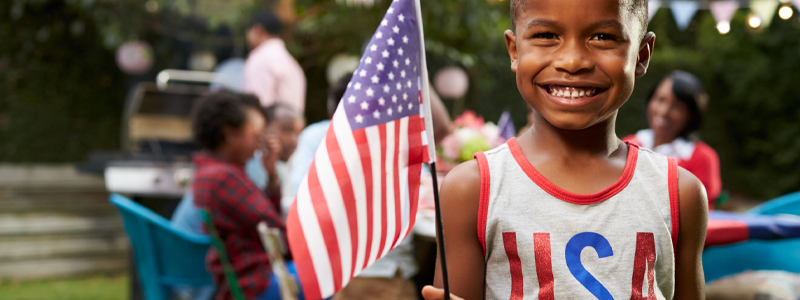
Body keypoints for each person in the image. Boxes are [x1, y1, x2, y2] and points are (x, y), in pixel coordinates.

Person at [422, 0, 708, 299]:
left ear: (641, 54)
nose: (572, 61)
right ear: (514, 50)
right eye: (546, 35)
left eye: (603, 37)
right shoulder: (473, 189)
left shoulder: (678, 193)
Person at [189, 90, 288, 300]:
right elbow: (277, 235)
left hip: (243, 283)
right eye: (256, 136)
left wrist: (271, 175)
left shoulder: (208, 172)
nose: (259, 145)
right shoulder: (225, 178)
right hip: (258, 283)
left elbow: (262, 221)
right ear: (230, 134)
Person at [622, 70, 722, 209]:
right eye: (660, 99)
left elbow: (702, 212)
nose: (664, 111)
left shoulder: (703, 158)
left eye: (677, 107)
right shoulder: (628, 144)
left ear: (691, 115)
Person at [244, 11, 307, 113]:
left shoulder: (260, 59)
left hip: (272, 126)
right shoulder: (290, 61)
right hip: (293, 125)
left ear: (258, 30)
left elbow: (257, 106)